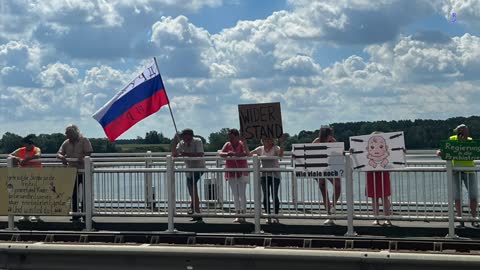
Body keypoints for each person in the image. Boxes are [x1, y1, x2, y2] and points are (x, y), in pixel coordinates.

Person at [437, 124, 479, 228]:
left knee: (473, 196)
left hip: (470, 171)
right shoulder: (452, 139)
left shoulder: (470, 141)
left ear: (467, 132)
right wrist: (439, 152)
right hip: (455, 171)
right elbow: (443, 150)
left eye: (463, 131)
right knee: (457, 197)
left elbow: (475, 151)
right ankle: (460, 219)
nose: (461, 133)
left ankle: (474, 218)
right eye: (459, 131)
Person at [57, 124, 93, 222]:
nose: (67, 135)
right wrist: (62, 158)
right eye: (67, 133)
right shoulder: (66, 142)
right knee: (73, 194)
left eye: (69, 133)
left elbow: (89, 152)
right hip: (72, 171)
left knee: (86, 193)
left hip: (84, 170)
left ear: (75, 132)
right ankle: (76, 214)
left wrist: (82, 157)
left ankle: (86, 214)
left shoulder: (84, 140)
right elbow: (59, 153)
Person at [245, 136, 285, 224]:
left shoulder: (275, 148)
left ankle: (276, 216)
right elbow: (248, 154)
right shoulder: (260, 149)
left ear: (271, 140)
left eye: (267, 139)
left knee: (275, 196)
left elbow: (281, 155)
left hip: (275, 175)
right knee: (266, 195)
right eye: (263, 139)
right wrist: (245, 142)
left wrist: (282, 143)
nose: (264, 140)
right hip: (264, 175)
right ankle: (267, 216)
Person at [172, 128, 206, 222]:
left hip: (199, 168)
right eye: (182, 137)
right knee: (191, 190)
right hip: (189, 169)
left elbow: (200, 154)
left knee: (192, 188)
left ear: (190, 135)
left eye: (185, 136)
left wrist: (186, 153)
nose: (183, 138)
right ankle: (194, 208)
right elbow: (174, 154)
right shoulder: (181, 143)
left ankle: (197, 212)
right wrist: (174, 141)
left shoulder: (197, 141)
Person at [8, 135, 43, 222]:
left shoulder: (36, 149)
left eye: (27, 144)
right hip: (23, 176)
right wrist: (18, 158)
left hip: (35, 176)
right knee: (24, 196)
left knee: (36, 196)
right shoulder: (21, 149)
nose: (25, 146)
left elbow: (38, 155)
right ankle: (25, 216)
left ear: (31, 144)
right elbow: (10, 155)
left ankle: (36, 215)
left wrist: (26, 159)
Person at [312, 125, 341, 225]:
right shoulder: (317, 141)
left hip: (330, 168)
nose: (329, 136)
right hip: (319, 169)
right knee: (323, 186)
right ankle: (329, 214)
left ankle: (333, 206)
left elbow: (339, 154)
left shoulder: (333, 141)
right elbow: (308, 152)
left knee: (338, 185)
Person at [219, 128, 249, 223]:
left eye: (232, 137)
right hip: (231, 171)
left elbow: (247, 153)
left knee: (242, 194)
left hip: (242, 171)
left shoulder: (241, 143)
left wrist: (236, 154)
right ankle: (237, 214)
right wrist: (227, 153)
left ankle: (243, 214)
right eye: (229, 137)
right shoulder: (227, 144)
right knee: (235, 194)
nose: (230, 139)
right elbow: (220, 153)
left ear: (237, 136)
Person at [364, 132, 394, 226]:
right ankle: (376, 218)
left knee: (384, 197)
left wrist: (401, 152)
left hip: (383, 173)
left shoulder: (387, 154)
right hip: (371, 174)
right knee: (374, 198)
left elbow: (394, 156)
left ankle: (387, 218)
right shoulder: (367, 154)